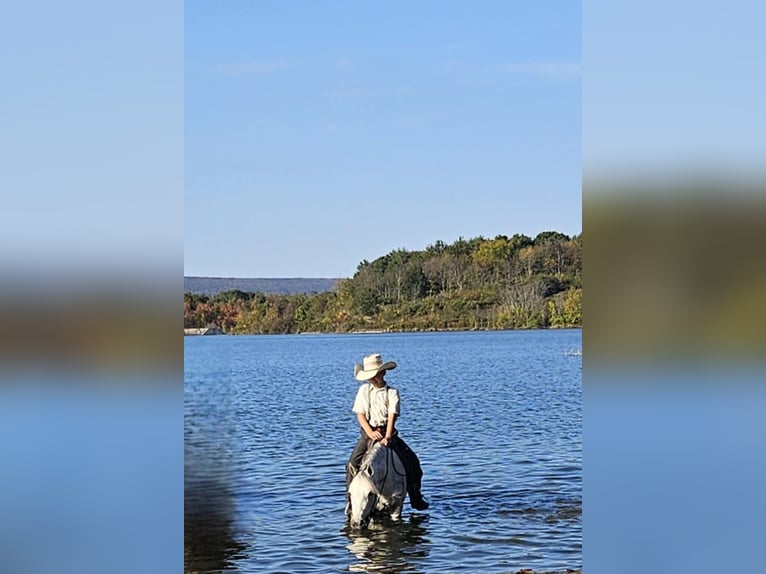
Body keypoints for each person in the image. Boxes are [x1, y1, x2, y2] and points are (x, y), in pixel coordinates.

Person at [345, 353, 429, 511]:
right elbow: (360, 415)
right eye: (370, 376)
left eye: (375, 375)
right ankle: (351, 501)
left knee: (413, 463)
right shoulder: (364, 391)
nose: (372, 379)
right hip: (368, 433)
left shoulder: (392, 393)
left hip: (387, 432)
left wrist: (388, 436)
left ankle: (415, 496)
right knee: (351, 464)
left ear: (383, 373)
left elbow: (392, 415)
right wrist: (370, 432)